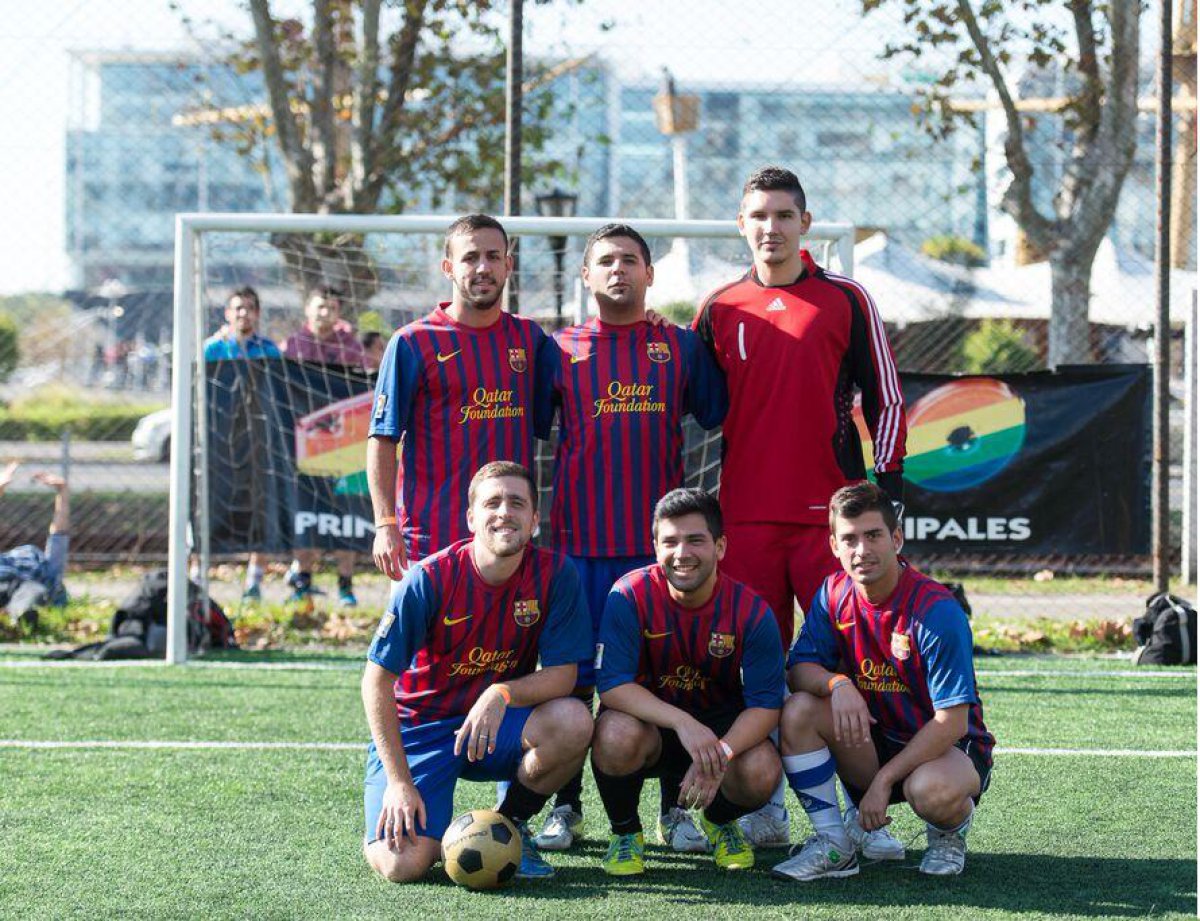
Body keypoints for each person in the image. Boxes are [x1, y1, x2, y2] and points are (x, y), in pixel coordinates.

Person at [693, 165, 908, 846]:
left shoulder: (846, 299)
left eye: (784, 215)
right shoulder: (718, 307)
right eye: (758, 215)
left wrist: (887, 496)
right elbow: (692, 413)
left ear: (805, 224)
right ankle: (760, 803)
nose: (771, 227)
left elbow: (890, 400)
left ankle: (861, 810)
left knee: (844, 669)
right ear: (741, 225)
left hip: (827, 526)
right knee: (747, 668)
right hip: (746, 521)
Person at [531, 224, 727, 854]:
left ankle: (674, 810)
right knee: (573, 683)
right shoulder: (558, 351)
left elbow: (721, 414)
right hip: (578, 549)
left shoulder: (681, 347)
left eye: (630, 261)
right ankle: (565, 808)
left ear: (651, 274)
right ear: (586, 276)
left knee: (669, 681)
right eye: (605, 262)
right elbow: (534, 429)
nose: (618, 270)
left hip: (661, 554)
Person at [361, 461, 593, 883]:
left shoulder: (556, 574)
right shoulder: (427, 579)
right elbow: (376, 680)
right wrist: (398, 782)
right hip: (423, 726)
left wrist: (499, 693)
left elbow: (564, 675)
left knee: (574, 721)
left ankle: (506, 827)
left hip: (495, 724)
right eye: (493, 503)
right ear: (471, 518)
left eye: (517, 503)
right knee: (403, 864)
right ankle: (430, 824)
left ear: (534, 519)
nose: (505, 512)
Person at [772, 482, 994, 881]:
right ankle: (834, 844)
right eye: (849, 539)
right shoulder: (833, 593)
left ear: (896, 538)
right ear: (834, 545)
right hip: (874, 743)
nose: (861, 550)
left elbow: (953, 722)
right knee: (800, 709)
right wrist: (838, 684)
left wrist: (884, 781)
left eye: (873, 536)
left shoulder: (937, 611)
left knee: (931, 791)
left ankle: (948, 833)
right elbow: (799, 667)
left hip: (944, 750)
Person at [591, 488, 784, 875]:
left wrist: (723, 753)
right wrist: (682, 722)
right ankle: (626, 832)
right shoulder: (628, 595)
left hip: (719, 735)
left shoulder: (751, 611)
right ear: (655, 546)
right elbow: (612, 686)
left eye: (695, 540)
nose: (682, 553)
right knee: (614, 731)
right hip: (654, 731)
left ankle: (719, 820)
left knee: (762, 768)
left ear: (720, 546)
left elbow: (766, 705)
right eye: (670, 542)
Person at [367, 214, 553, 578]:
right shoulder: (413, 342)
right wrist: (385, 523)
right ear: (448, 267)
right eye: (470, 258)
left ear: (508, 265)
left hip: (507, 541)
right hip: (429, 541)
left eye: (493, 256)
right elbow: (382, 438)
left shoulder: (531, 340)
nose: (483, 267)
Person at [283, 285, 366, 608]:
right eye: (320, 307)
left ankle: (345, 585)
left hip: (344, 449)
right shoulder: (293, 346)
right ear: (308, 309)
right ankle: (302, 582)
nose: (325, 313)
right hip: (305, 449)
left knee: (344, 517)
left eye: (331, 307)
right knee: (308, 516)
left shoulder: (350, 347)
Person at [203, 286, 281, 602]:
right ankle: (197, 578)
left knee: (259, 512)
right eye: (236, 308)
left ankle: (254, 583)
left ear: (257, 313)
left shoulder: (269, 351)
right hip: (219, 446)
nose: (242, 313)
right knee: (207, 507)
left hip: (258, 446)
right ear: (227, 313)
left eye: (248, 308)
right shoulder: (212, 350)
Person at [0, 462, 70, 615]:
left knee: (32, 592)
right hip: (11, 584)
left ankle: (21, 614)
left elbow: (59, 534)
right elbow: (59, 534)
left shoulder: (48, 576)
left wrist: (63, 491)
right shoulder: (49, 573)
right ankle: (20, 612)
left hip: (25, 590)